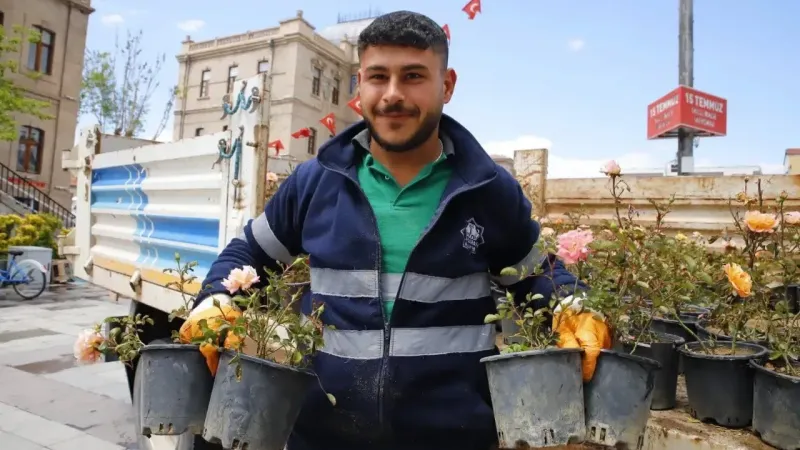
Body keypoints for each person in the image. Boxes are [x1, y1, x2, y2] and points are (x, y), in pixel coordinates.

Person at [181, 10, 610, 450]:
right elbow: (248, 255)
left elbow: (538, 275)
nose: (392, 94)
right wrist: (216, 301)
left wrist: (574, 306)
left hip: (455, 440)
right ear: (359, 86)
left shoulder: (487, 190)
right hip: (321, 438)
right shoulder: (316, 182)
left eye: (413, 76)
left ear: (447, 85)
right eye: (377, 77)